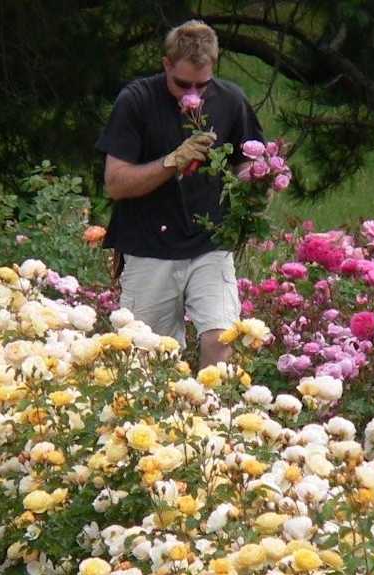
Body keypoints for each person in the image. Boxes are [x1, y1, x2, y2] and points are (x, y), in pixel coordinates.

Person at [97, 20, 264, 369]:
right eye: (183, 84)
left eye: (202, 85)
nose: (193, 95)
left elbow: (246, 162)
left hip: (210, 241)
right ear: (166, 65)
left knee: (222, 338)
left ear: (213, 67)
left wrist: (262, 177)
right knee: (147, 358)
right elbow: (115, 183)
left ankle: (211, 403)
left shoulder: (231, 99)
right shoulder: (137, 100)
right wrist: (172, 161)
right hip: (148, 246)